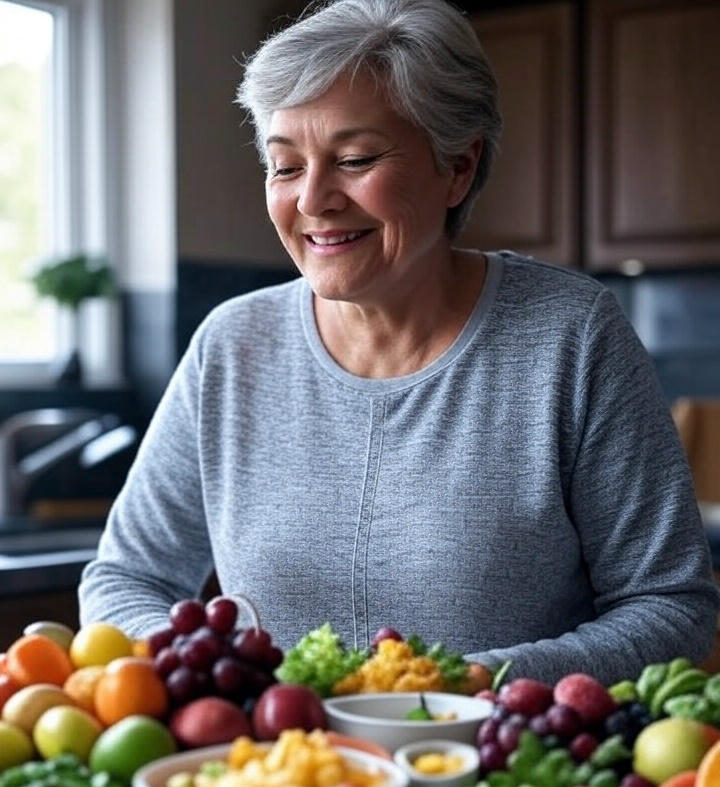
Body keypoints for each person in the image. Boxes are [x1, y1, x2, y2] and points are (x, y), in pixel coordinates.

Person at [79, 0, 719, 684]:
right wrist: (213, 674)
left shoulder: (572, 337)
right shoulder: (231, 346)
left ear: (458, 168)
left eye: (354, 159)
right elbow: (123, 578)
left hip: (498, 777)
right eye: (285, 166)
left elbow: (671, 610)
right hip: (275, 780)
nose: (314, 199)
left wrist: (461, 688)